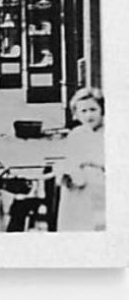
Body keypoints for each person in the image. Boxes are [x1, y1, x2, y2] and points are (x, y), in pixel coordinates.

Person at [56, 87, 106, 232]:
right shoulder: (76, 134)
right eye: (83, 111)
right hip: (80, 184)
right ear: (76, 115)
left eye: (93, 109)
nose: (89, 115)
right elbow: (71, 159)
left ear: (101, 110)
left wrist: (91, 163)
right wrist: (68, 172)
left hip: (102, 184)